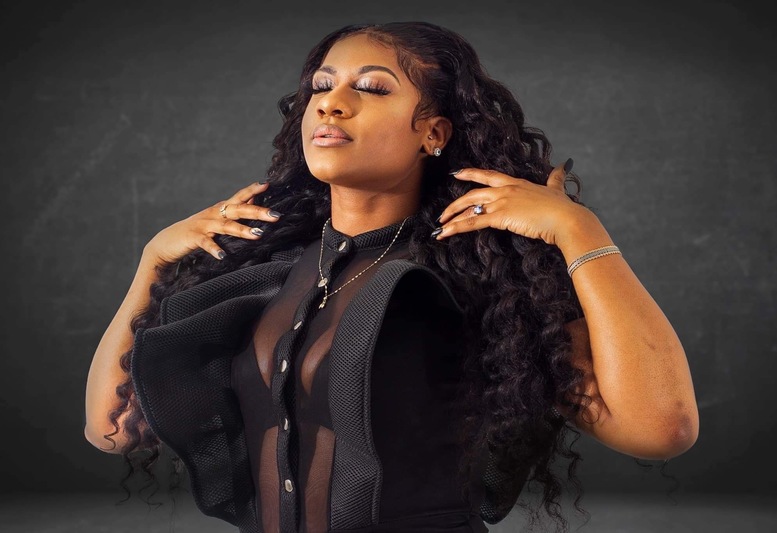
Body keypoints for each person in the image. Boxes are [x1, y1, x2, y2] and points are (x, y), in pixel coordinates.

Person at [84, 21, 699, 533]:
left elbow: (662, 429)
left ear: (433, 133)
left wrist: (579, 232)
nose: (331, 102)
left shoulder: (476, 282)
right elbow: (111, 431)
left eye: (372, 88)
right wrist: (152, 262)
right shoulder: (268, 277)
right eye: (321, 86)